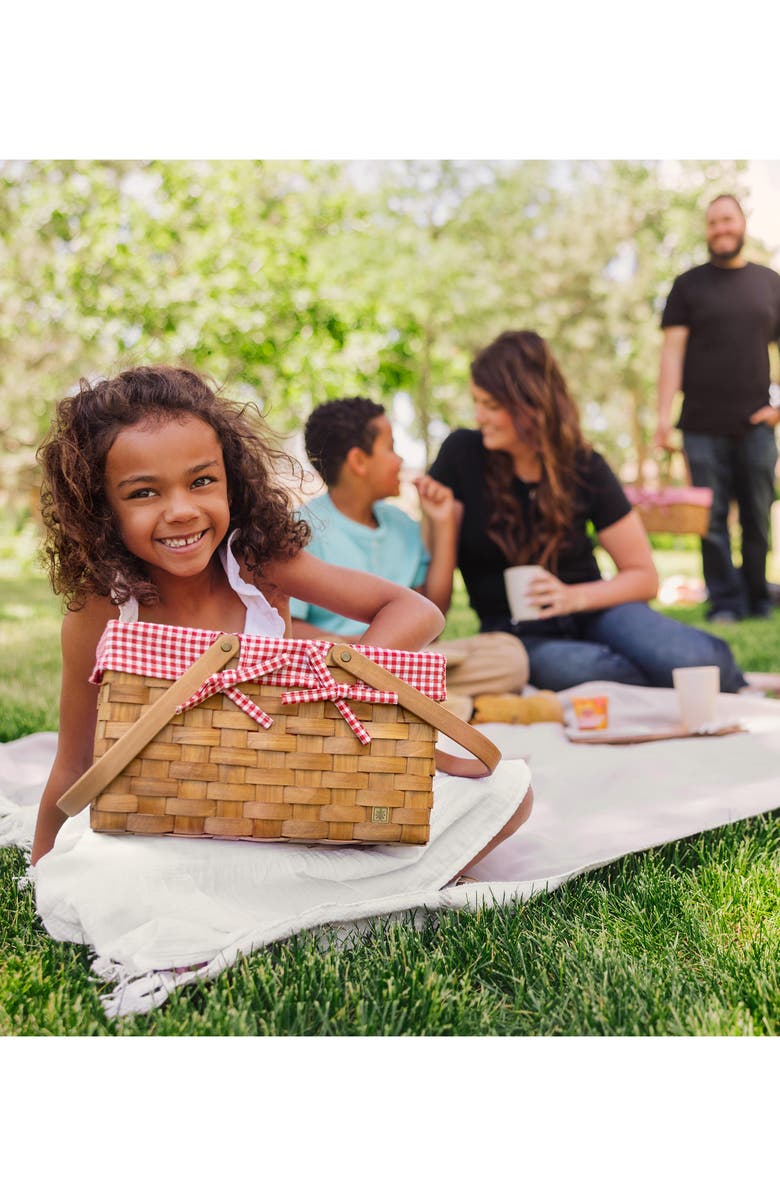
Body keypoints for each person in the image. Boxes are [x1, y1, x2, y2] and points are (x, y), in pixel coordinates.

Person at [31, 366, 531, 865]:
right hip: (175, 828)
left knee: (508, 792)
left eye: (202, 481)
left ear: (232, 482)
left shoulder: (258, 565)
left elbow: (415, 611)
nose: (181, 510)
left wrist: (334, 683)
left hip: (292, 801)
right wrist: (43, 869)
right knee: (115, 868)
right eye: (144, 492)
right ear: (100, 507)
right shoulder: (103, 607)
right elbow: (74, 761)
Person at [425, 330, 745, 693]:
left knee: (700, 660)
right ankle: (672, 684)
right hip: (516, 634)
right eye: (477, 402)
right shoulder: (462, 454)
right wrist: (442, 523)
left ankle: (683, 678)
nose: (479, 416)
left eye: (492, 406)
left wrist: (573, 597)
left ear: (532, 404)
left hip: (597, 612)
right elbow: (436, 605)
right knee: (580, 671)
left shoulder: (582, 465)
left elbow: (644, 577)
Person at [289, 397, 529, 720]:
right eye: (391, 447)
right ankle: (447, 706)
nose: (400, 459)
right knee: (334, 663)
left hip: (408, 663)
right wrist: (366, 645)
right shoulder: (302, 529)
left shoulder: (401, 525)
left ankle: (414, 703)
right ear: (359, 461)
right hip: (338, 662)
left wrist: (443, 525)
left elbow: (434, 615)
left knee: (509, 655)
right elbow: (288, 628)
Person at [654, 193, 780, 623]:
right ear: (705, 230)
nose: (720, 229)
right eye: (712, 223)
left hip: (757, 424)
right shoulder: (687, 286)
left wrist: (779, 407)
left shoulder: (769, 283)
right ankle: (725, 602)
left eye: (727, 220)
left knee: (758, 517)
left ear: (743, 223)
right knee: (711, 521)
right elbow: (671, 355)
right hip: (701, 426)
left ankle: (758, 597)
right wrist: (661, 418)